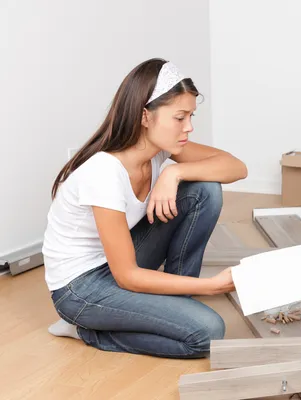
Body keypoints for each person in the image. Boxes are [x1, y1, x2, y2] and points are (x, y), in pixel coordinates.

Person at [42, 58, 248, 358]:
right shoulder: (103, 172)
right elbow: (126, 276)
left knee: (204, 189)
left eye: (191, 116)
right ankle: (84, 329)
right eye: (180, 117)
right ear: (145, 116)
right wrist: (210, 286)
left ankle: (180, 300)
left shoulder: (162, 150)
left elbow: (236, 167)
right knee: (207, 333)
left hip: (116, 264)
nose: (189, 127)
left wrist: (173, 173)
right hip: (80, 289)